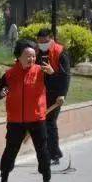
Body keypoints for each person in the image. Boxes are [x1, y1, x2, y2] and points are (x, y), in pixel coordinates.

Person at [0, 39, 55, 182]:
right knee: (10, 151)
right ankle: (4, 179)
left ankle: (46, 180)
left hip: (37, 118)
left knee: (42, 150)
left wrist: (52, 74)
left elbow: (55, 87)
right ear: (18, 57)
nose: (31, 59)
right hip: (15, 120)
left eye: (33, 56)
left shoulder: (42, 71)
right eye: (28, 56)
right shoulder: (9, 74)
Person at [35, 28, 71, 165]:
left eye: (44, 41)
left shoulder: (60, 52)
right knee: (42, 123)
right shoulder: (37, 51)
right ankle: (51, 153)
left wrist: (62, 94)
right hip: (40, 93)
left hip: (56, 94)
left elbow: (65, 76)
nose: (41, 44)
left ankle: (53, 154)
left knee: (49, 122)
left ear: (51, 38)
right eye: (39, 41)